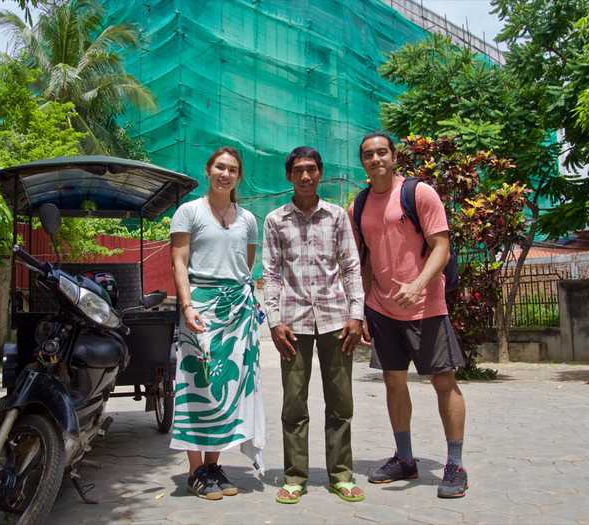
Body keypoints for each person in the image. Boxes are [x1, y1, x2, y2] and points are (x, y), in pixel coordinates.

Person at [351, 132, 468, 499]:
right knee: (394, 382)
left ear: (394, 156)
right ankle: (405, 458)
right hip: (383, 309)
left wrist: (418, 285)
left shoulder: (419, 193)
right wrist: (364, 308)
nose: (375, 159)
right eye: (368, 155)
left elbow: (442, 246)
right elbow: (365, 260)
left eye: (381, 152)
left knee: (443, 382)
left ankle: (454, 464)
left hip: (426, 308)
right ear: (363, 162)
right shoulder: (360, 203)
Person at [262, 146, 369, 504]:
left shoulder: (336, 216)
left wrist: (356, 314)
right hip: (293, 326)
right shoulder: (276, 220)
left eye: (311, 169)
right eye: (298, 170)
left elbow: (351, 267)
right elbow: (271, 273)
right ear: (289, 176)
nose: (306, 176)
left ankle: (341, 474)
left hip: (337, 321)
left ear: (320, 173)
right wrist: (275, 322)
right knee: (294, 404)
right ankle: (294, 476)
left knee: (341, 403)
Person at [170, 147, 265, 501]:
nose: (225, 174)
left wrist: (243, 301)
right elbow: (179, 262)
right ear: (208, 170)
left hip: (238, 311)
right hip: (200, 307)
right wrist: (187, 304)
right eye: (220, 167)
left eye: (233, 170)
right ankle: (195, 470)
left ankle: (213, 465)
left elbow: (246, 265)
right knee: (197, 385)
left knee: (228, 385)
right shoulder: (189, 212)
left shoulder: (248, 219)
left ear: (239, 177)